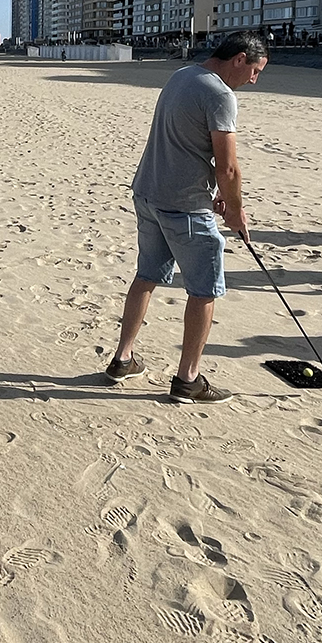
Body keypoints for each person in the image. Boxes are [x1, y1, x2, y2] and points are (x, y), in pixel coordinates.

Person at [107, 30, 268, 404]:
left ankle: (122, 359)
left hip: (148, 192)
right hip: (184, 205)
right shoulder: (220, 94)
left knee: (146, 275)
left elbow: (185, 144)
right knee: (203, 291)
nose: (254, 80)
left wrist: (213, 192)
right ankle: (188, 380)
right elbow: (228, 168)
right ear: (240, 59)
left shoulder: (182, 74)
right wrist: (236, 210)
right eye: (256, 71)